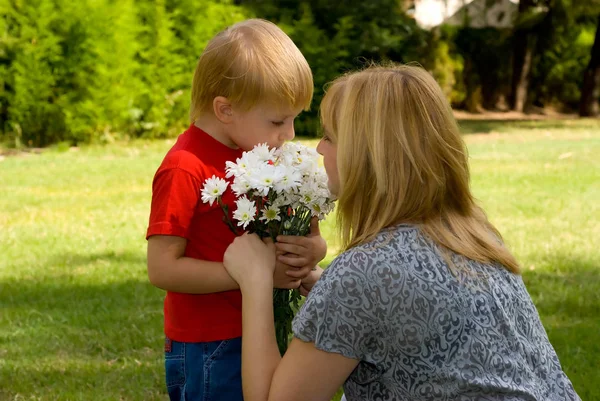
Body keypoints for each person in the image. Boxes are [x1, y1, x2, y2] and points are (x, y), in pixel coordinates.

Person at [222, 64, 581, 401]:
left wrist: (255, 278)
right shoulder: (476, 235)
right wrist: (332, 292)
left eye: (330, 136)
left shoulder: (364, 273)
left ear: (366, 157)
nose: (319, 147)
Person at [145, 19, 327, 401]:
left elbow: (312, 238)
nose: (290, 134)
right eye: (278, 120)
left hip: (270, 328)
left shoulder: (268, 155)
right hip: (210, 343)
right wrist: (251, 277)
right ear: (225, 110)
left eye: (295, 118)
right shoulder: (185, 166)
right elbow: (162, 267)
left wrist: (313, 250)